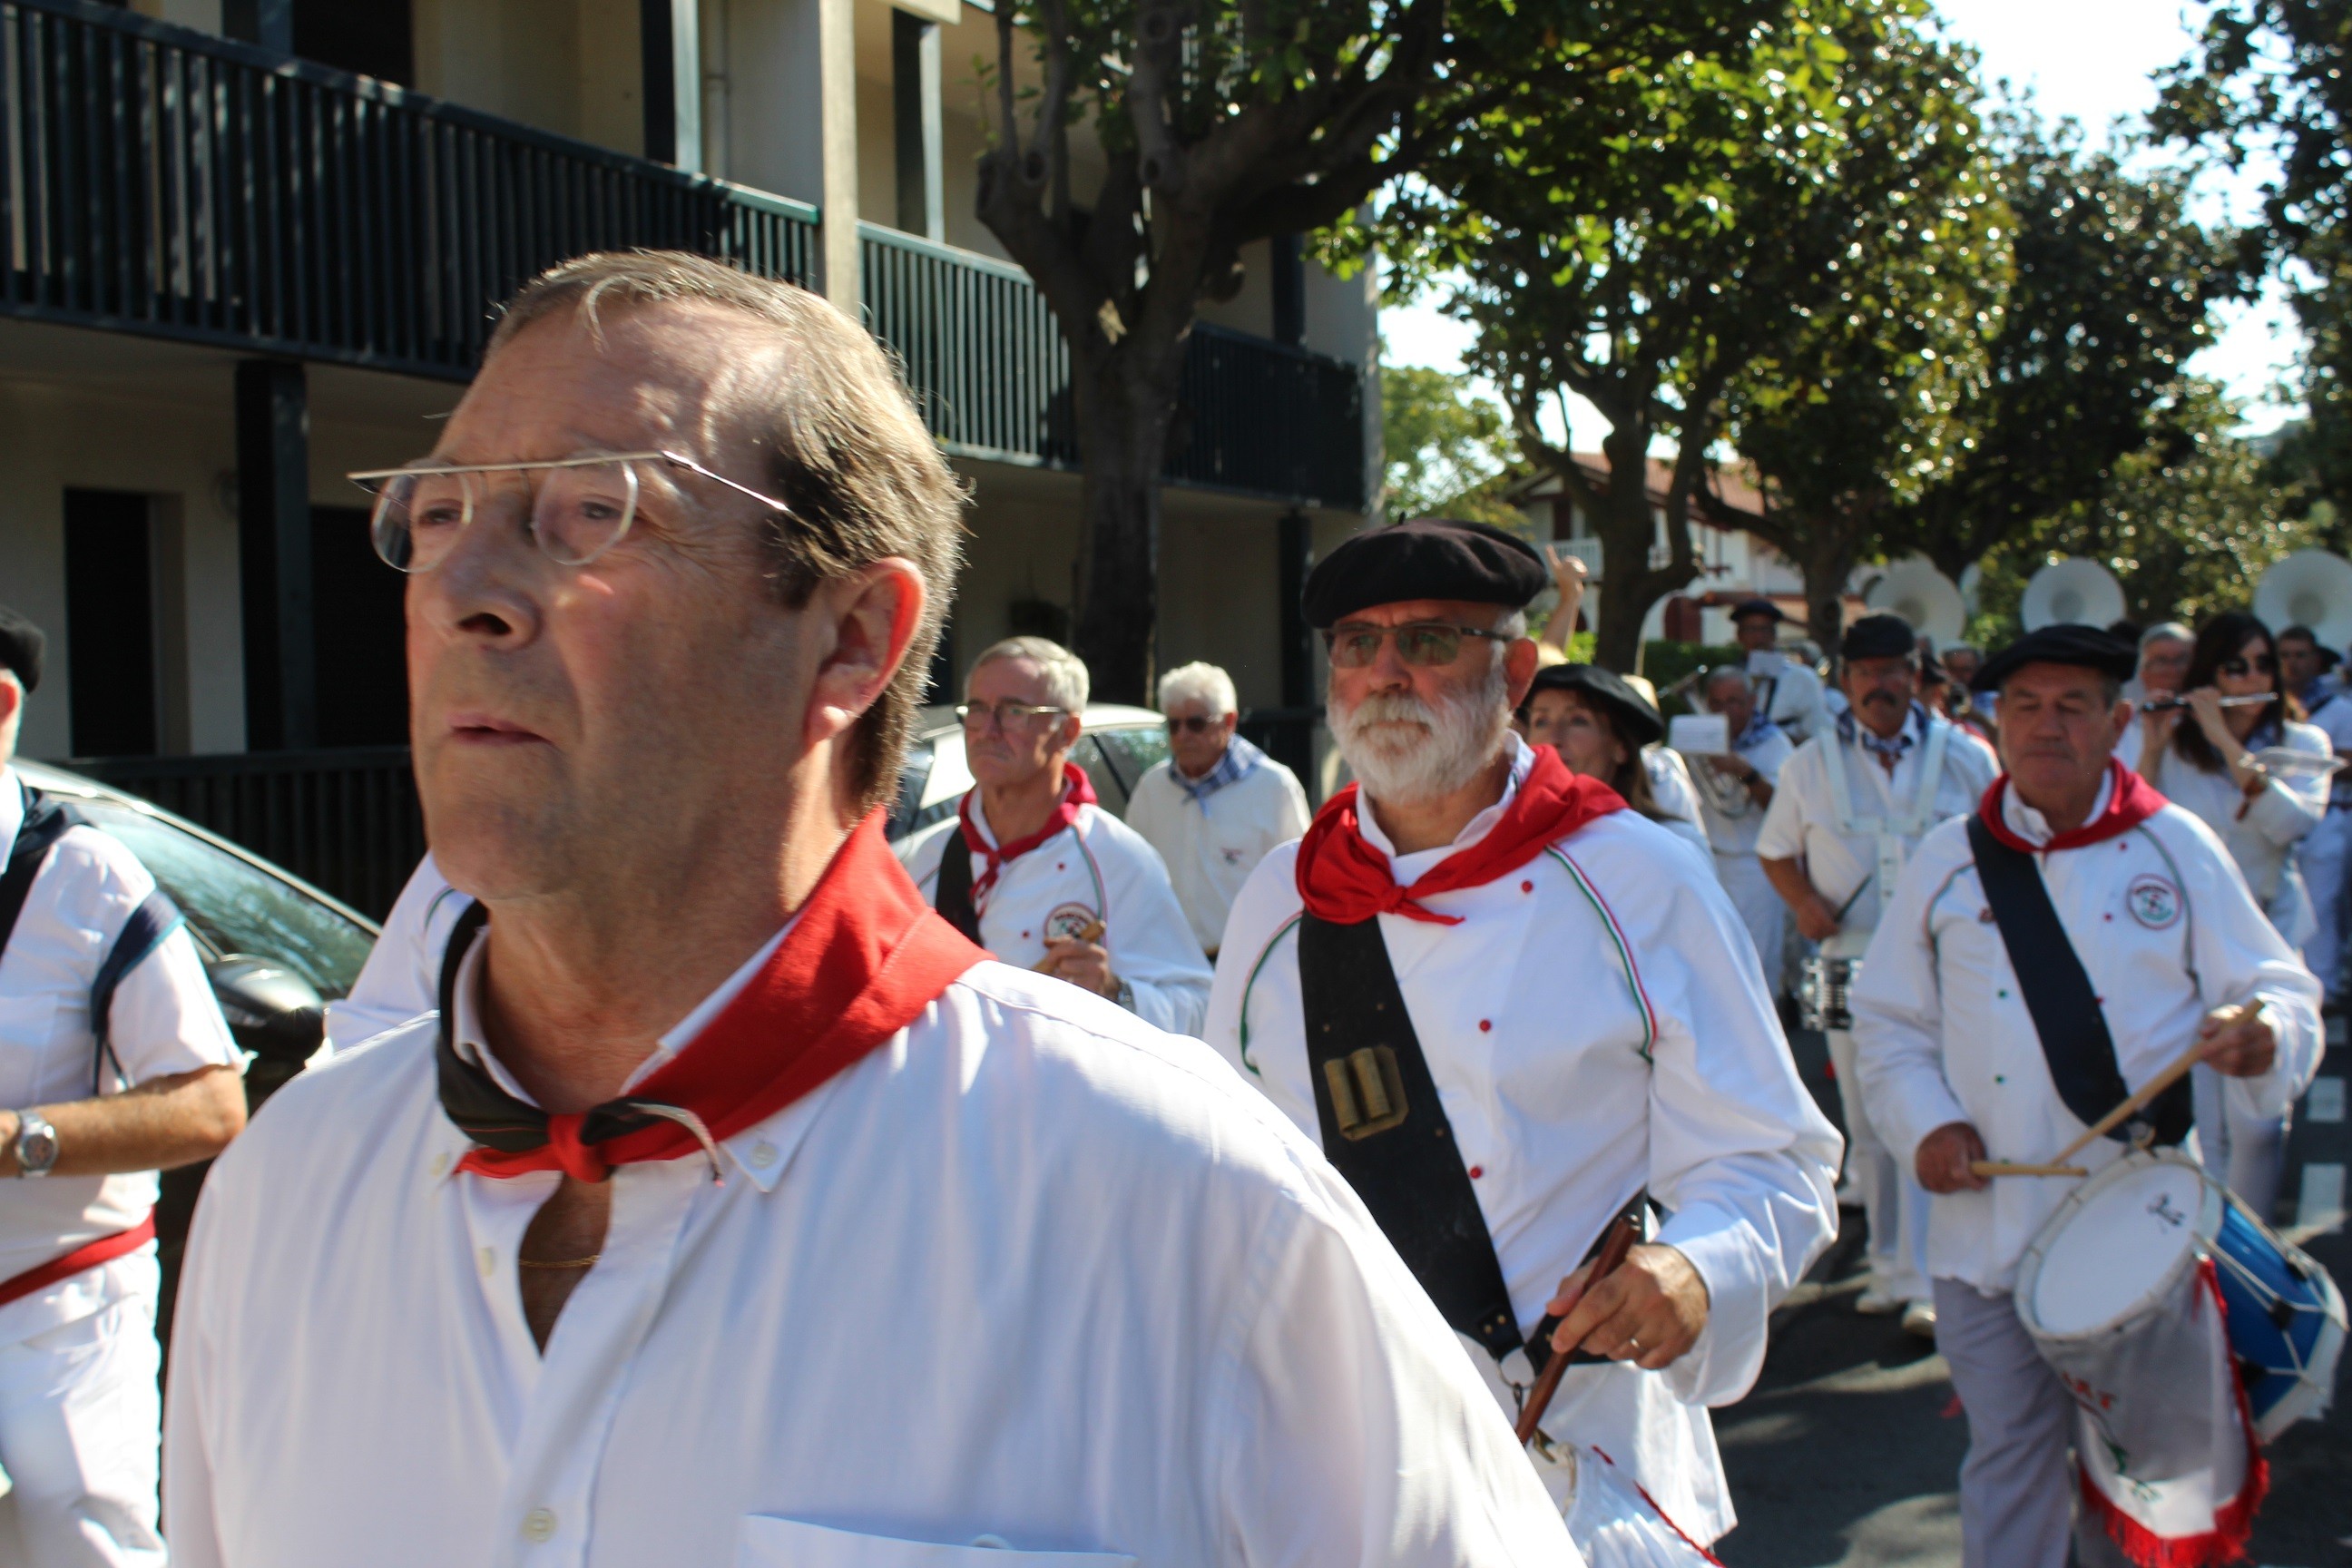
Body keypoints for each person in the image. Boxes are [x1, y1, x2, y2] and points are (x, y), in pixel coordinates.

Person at [162, 253, 1577, 1566]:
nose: (463, 586)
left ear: (849, 639)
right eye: (444, 509)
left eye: (592, 511)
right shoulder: (286, 1197)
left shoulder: (1173, 1202)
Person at [1208, 518, 1841, 1557]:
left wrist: (1696, 1269)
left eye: (1430, 641)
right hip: (1352, 1456)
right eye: (1358, 645)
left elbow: (1777, 1161)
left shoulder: (1638, 878)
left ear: (1510, 669)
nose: (1386, 674)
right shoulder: (1282, 899)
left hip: (1584, 1458)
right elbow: (1233, 1170)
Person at [1850, 624, 2323, 1568]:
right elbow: (1887, 1022)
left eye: (2073, 706)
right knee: (2012, 1458)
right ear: (1996, 720)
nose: (2046, 726)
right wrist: (1927, 1124)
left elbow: (2279, 983)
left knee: (2149, 1471)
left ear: (2116, 723)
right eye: (2025, 705)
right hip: (1984, 1225)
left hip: (2135, 1223)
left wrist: (2264, 1030)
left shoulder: (2172, 844)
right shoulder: (1951, 856)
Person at [0, 606, 245, 1567]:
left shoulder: (86, 879)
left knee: (79, 1541)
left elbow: (212, 1103)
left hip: (61, 1318)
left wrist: (19, 1138)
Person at [1757, 612, 1998, 1337]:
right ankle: (1891, 1266)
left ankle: (1936, 1276)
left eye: (1894, 671)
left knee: (1942, 1110)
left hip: (1947, 964)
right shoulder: (1808, 764)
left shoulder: (1965, 757)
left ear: (1915, 676)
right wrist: (1804, 903)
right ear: (1846, 681)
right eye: (1866, 673)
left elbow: (2000, 844)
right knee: (1865, 1117)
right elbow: (1775, 851)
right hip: (1841, 961)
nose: (1880, 686)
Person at [897, 637, 1212, 1034]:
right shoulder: (931, 858)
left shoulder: (1116, 858)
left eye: (1014, 711)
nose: (988, 730)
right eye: (977, 710)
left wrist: (1115, 993)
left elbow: (1201, 1010)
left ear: (1068, 731)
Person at [2132, 611, 2330, 1220]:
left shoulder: (2303, 743)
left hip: (2267, 943)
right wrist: (2155, 744)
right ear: (2208, 675)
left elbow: (2292, 824)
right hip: (2190, 951)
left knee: (2260, 1120)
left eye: (2263, 665)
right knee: (2207, 1122)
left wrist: (2225, 737)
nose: (2252, 677)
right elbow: (2137, 826)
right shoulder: (2178, 750)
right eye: (2235, 666)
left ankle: (2254, 1243)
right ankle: (2214, 1257)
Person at [1123, 661, 1310, 958]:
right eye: (1173, 725)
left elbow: (1299, 885)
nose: (1183, 735)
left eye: (1196, 723)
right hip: (1167, 960)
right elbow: (1129, 877)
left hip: (1248, 961)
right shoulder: (1153, 788)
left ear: (1229, 722)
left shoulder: (1274, 787)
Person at [1522, 664, 1710, 858]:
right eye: (1541, 721)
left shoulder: (1675, 842)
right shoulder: (1515, 839)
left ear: (1620, 747)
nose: (1554, 738)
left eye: (1578, 720)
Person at [1691, 666, 1794, 987]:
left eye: (1734, 702)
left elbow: (1784, 810)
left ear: (1751, 703)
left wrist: (1745, 773)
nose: (1724, 712)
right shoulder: (1696, 740)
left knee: (1758, 962)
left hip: (1756, 865)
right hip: (1710, 861)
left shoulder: (1774, 743)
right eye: (1716, 703)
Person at [2278, 625, 2352, 995]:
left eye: (2300, 655)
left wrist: (2315, 759)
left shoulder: (2337, 709)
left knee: (2321, 904)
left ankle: (2323, 988)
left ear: (2316, 660)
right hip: (2274, 816)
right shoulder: (2266, 706)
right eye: (2285, 655)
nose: (2293, 663)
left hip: (2326, 814)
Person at [1730, 599, 1831, 744]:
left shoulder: (1803, 678)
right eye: (1751, 630)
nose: (1759, 638)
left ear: (1774, 634)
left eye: (1764, 630)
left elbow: (1820, 732)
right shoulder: (1731, 679)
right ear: (1739, 636)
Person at [2122, 621, 2193, 708]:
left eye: (2181, 660)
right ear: (2143, 671)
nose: (2172, 670)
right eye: (2161, 661)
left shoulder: (2208, 706)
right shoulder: (2126, 705)